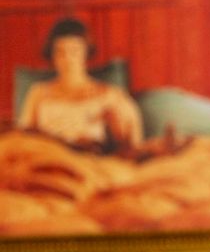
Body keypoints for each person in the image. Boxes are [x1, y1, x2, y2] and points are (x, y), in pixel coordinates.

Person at [18, 17, 144, 151]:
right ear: (52, 55)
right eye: (60, 52)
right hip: (50, 156)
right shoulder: (38, 93)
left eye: (75, 51)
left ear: (86, 52)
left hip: (90, 156)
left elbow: (134, 139)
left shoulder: (109, 94)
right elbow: (22, 139)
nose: (68, 59)